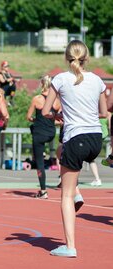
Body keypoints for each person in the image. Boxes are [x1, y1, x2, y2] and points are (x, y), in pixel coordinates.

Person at [42, 40, 107, 257]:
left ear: (66, 57)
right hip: (96, 139)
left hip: (76, 136)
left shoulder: (60, 79)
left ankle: (70, 246)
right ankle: (77, 192)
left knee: (66, 196)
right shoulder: (97, 80)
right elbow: (104, 113)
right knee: (66, 158)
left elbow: (45, 111)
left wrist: (58, 115)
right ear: (87, 57)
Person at [26, 75, 60, 199]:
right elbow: (59, 119)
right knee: (57, 153)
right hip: (51, 133)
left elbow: (28, 117)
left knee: (39, 162)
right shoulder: (56, 101)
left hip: (39, 133)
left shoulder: (37, 99)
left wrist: (36, 119)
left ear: (42, 84)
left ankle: (43, 190)